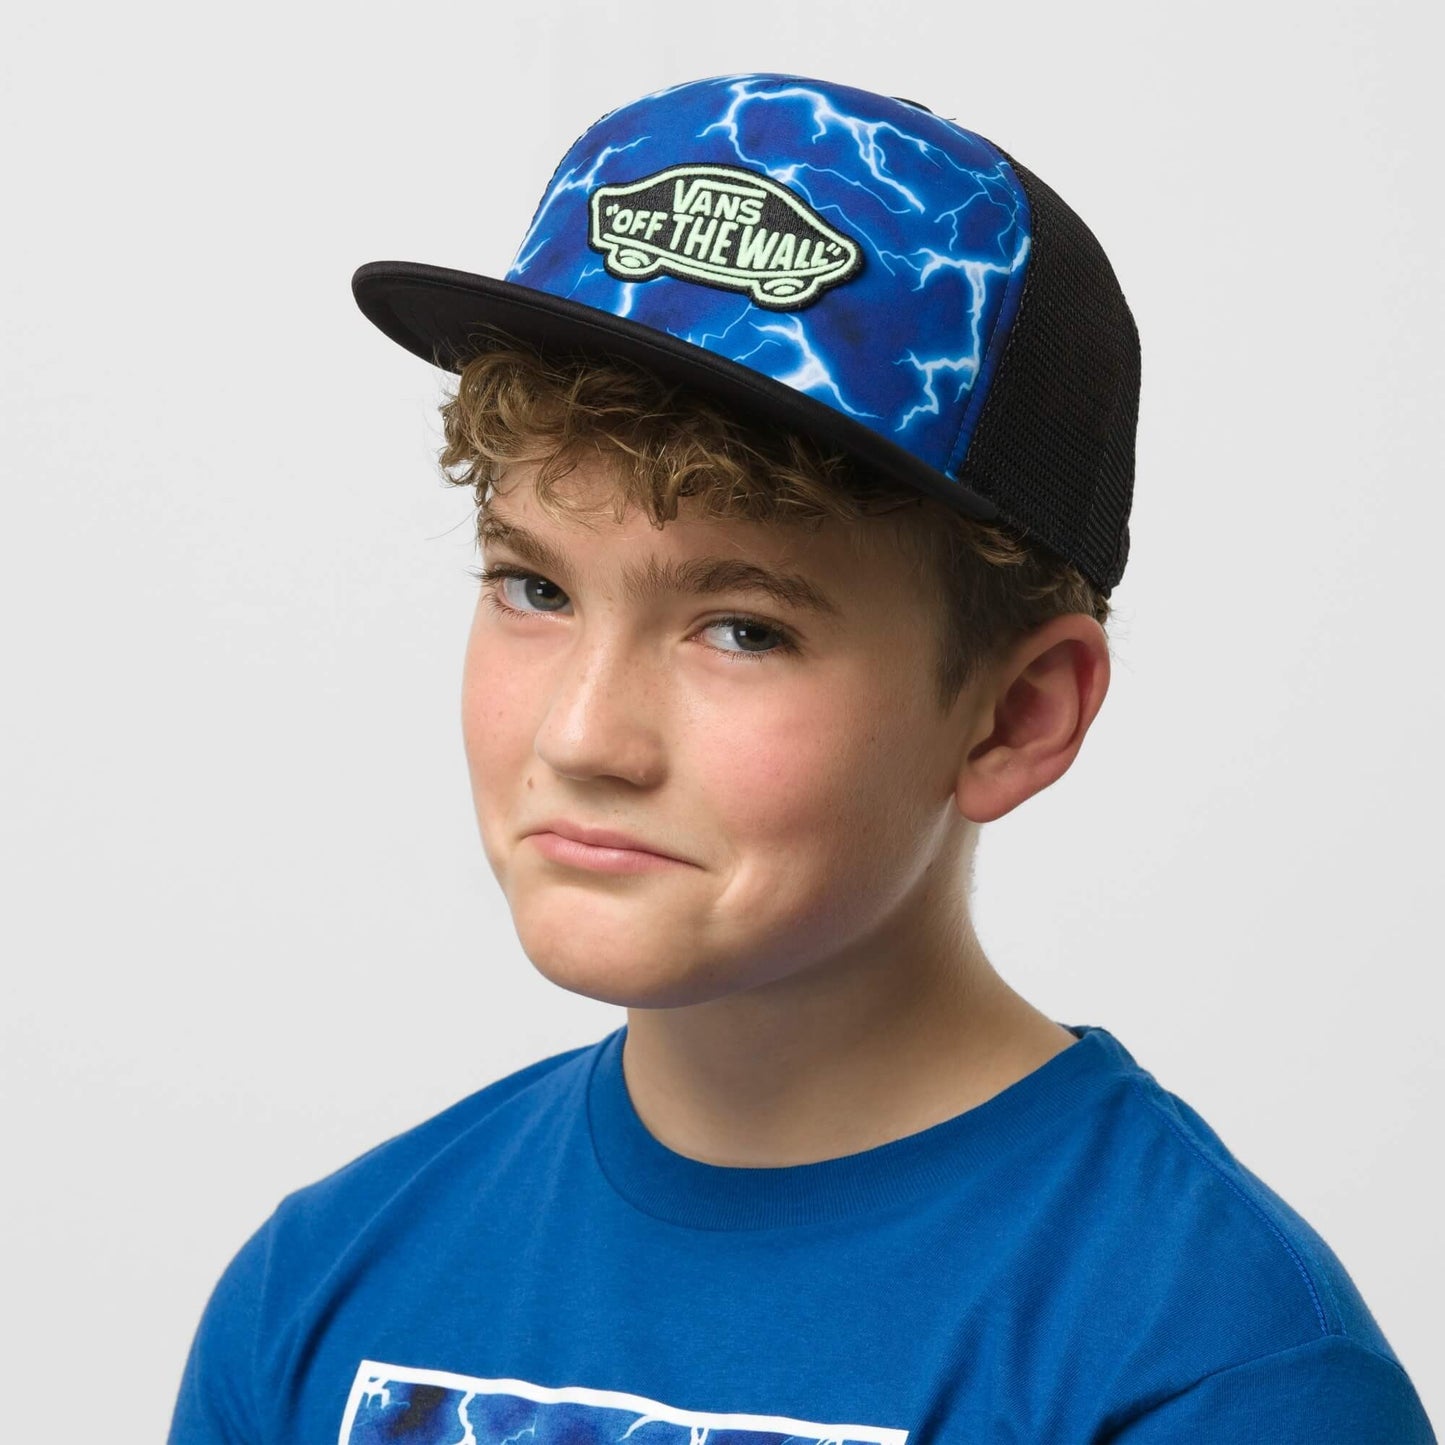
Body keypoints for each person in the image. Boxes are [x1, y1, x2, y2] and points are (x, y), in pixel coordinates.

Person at [168, 72, 1436, 1443]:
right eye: (535, 588)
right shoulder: (319, 1299)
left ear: (1015, 715)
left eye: (742, 629)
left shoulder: (1214, 1372)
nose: (582, 736)